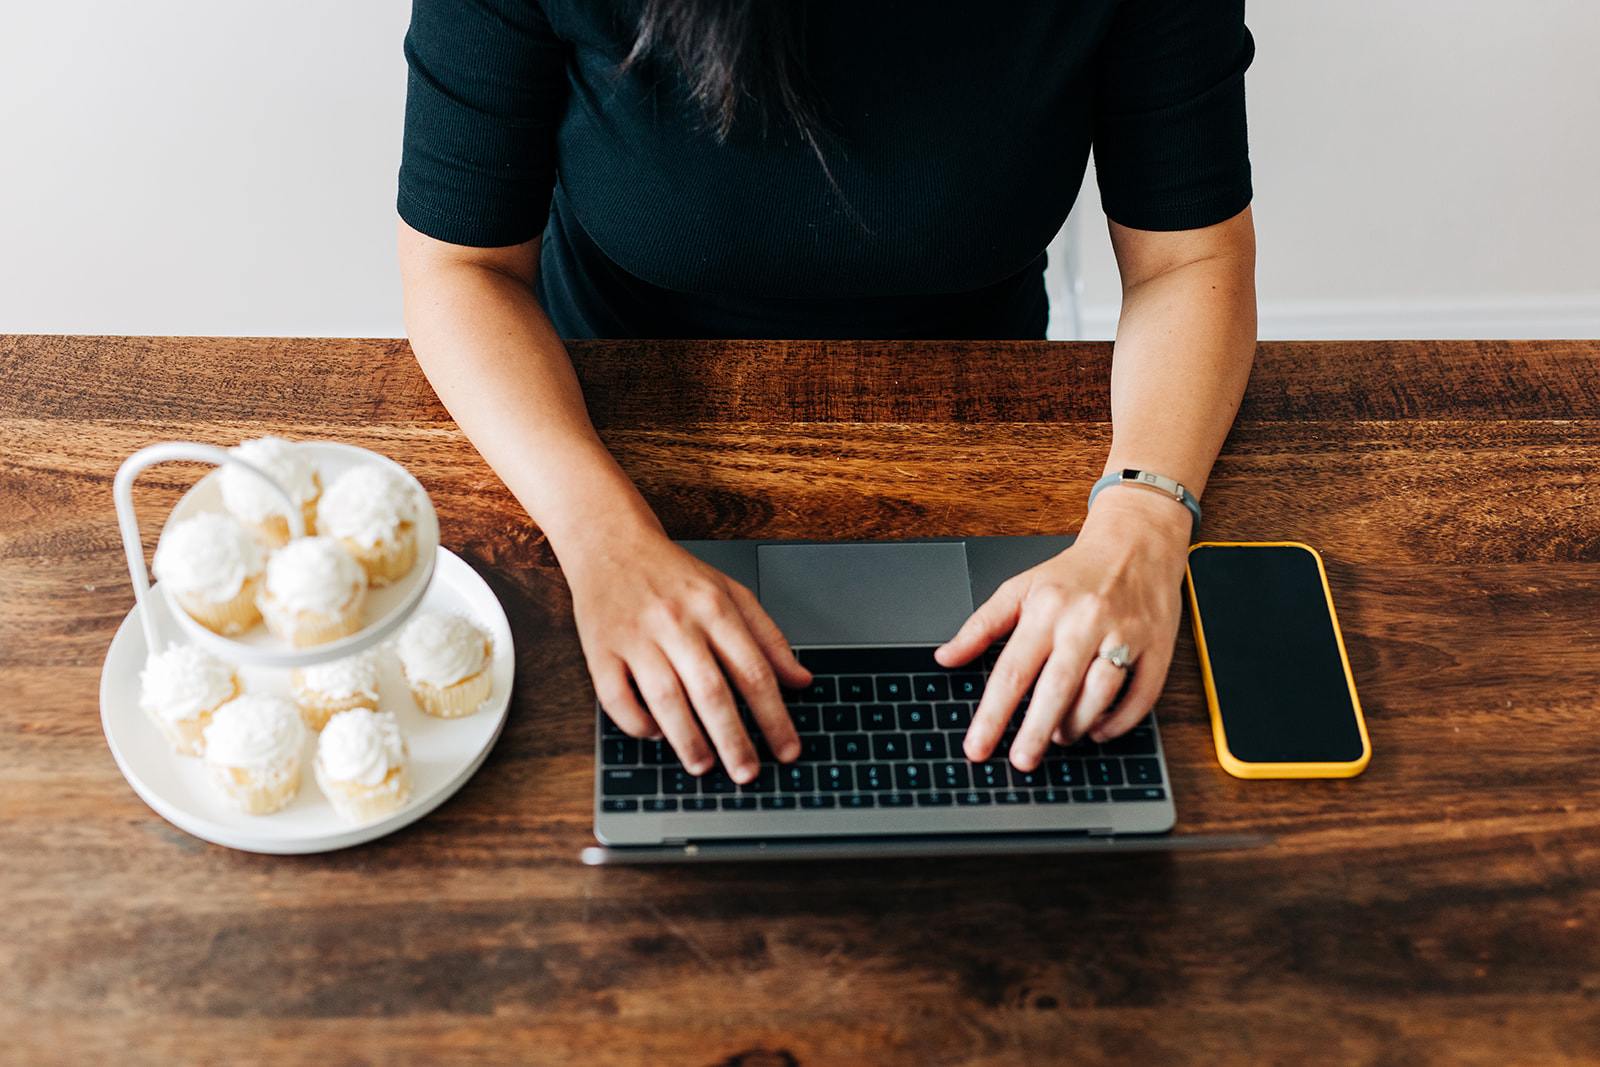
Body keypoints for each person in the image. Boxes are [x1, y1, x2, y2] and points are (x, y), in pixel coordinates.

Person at [396, 0, 1257, 787]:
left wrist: (1144, 518)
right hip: (600, 431)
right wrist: (598, 535)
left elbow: (1190, 259)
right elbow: (461, 268)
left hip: (978, 439)